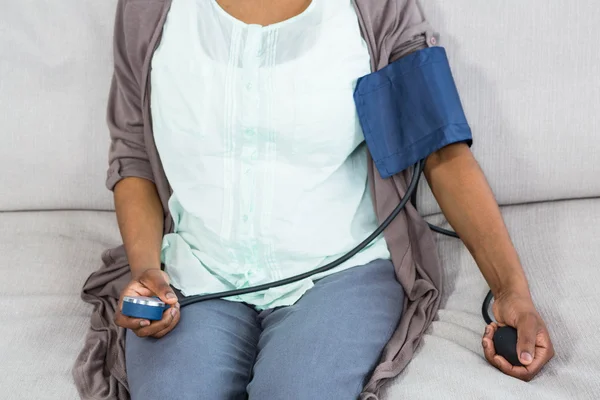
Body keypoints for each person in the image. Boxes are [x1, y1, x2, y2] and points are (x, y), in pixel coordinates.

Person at [107, 0, 555, 399]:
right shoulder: (146, 11)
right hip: (194, 276)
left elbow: (439, 148)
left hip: (342, 274)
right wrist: (147, 268)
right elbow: (133, 158)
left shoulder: (377, 9)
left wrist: (510, 290)